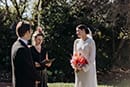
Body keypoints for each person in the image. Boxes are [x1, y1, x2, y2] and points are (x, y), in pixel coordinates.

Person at [11, 21, 41, 87]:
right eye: (31, 30)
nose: (31, 32)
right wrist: (38, 78)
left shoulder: (15, 45)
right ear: (27, 32)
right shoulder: (22, 48)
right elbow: (28, 68)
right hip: (25, 83)